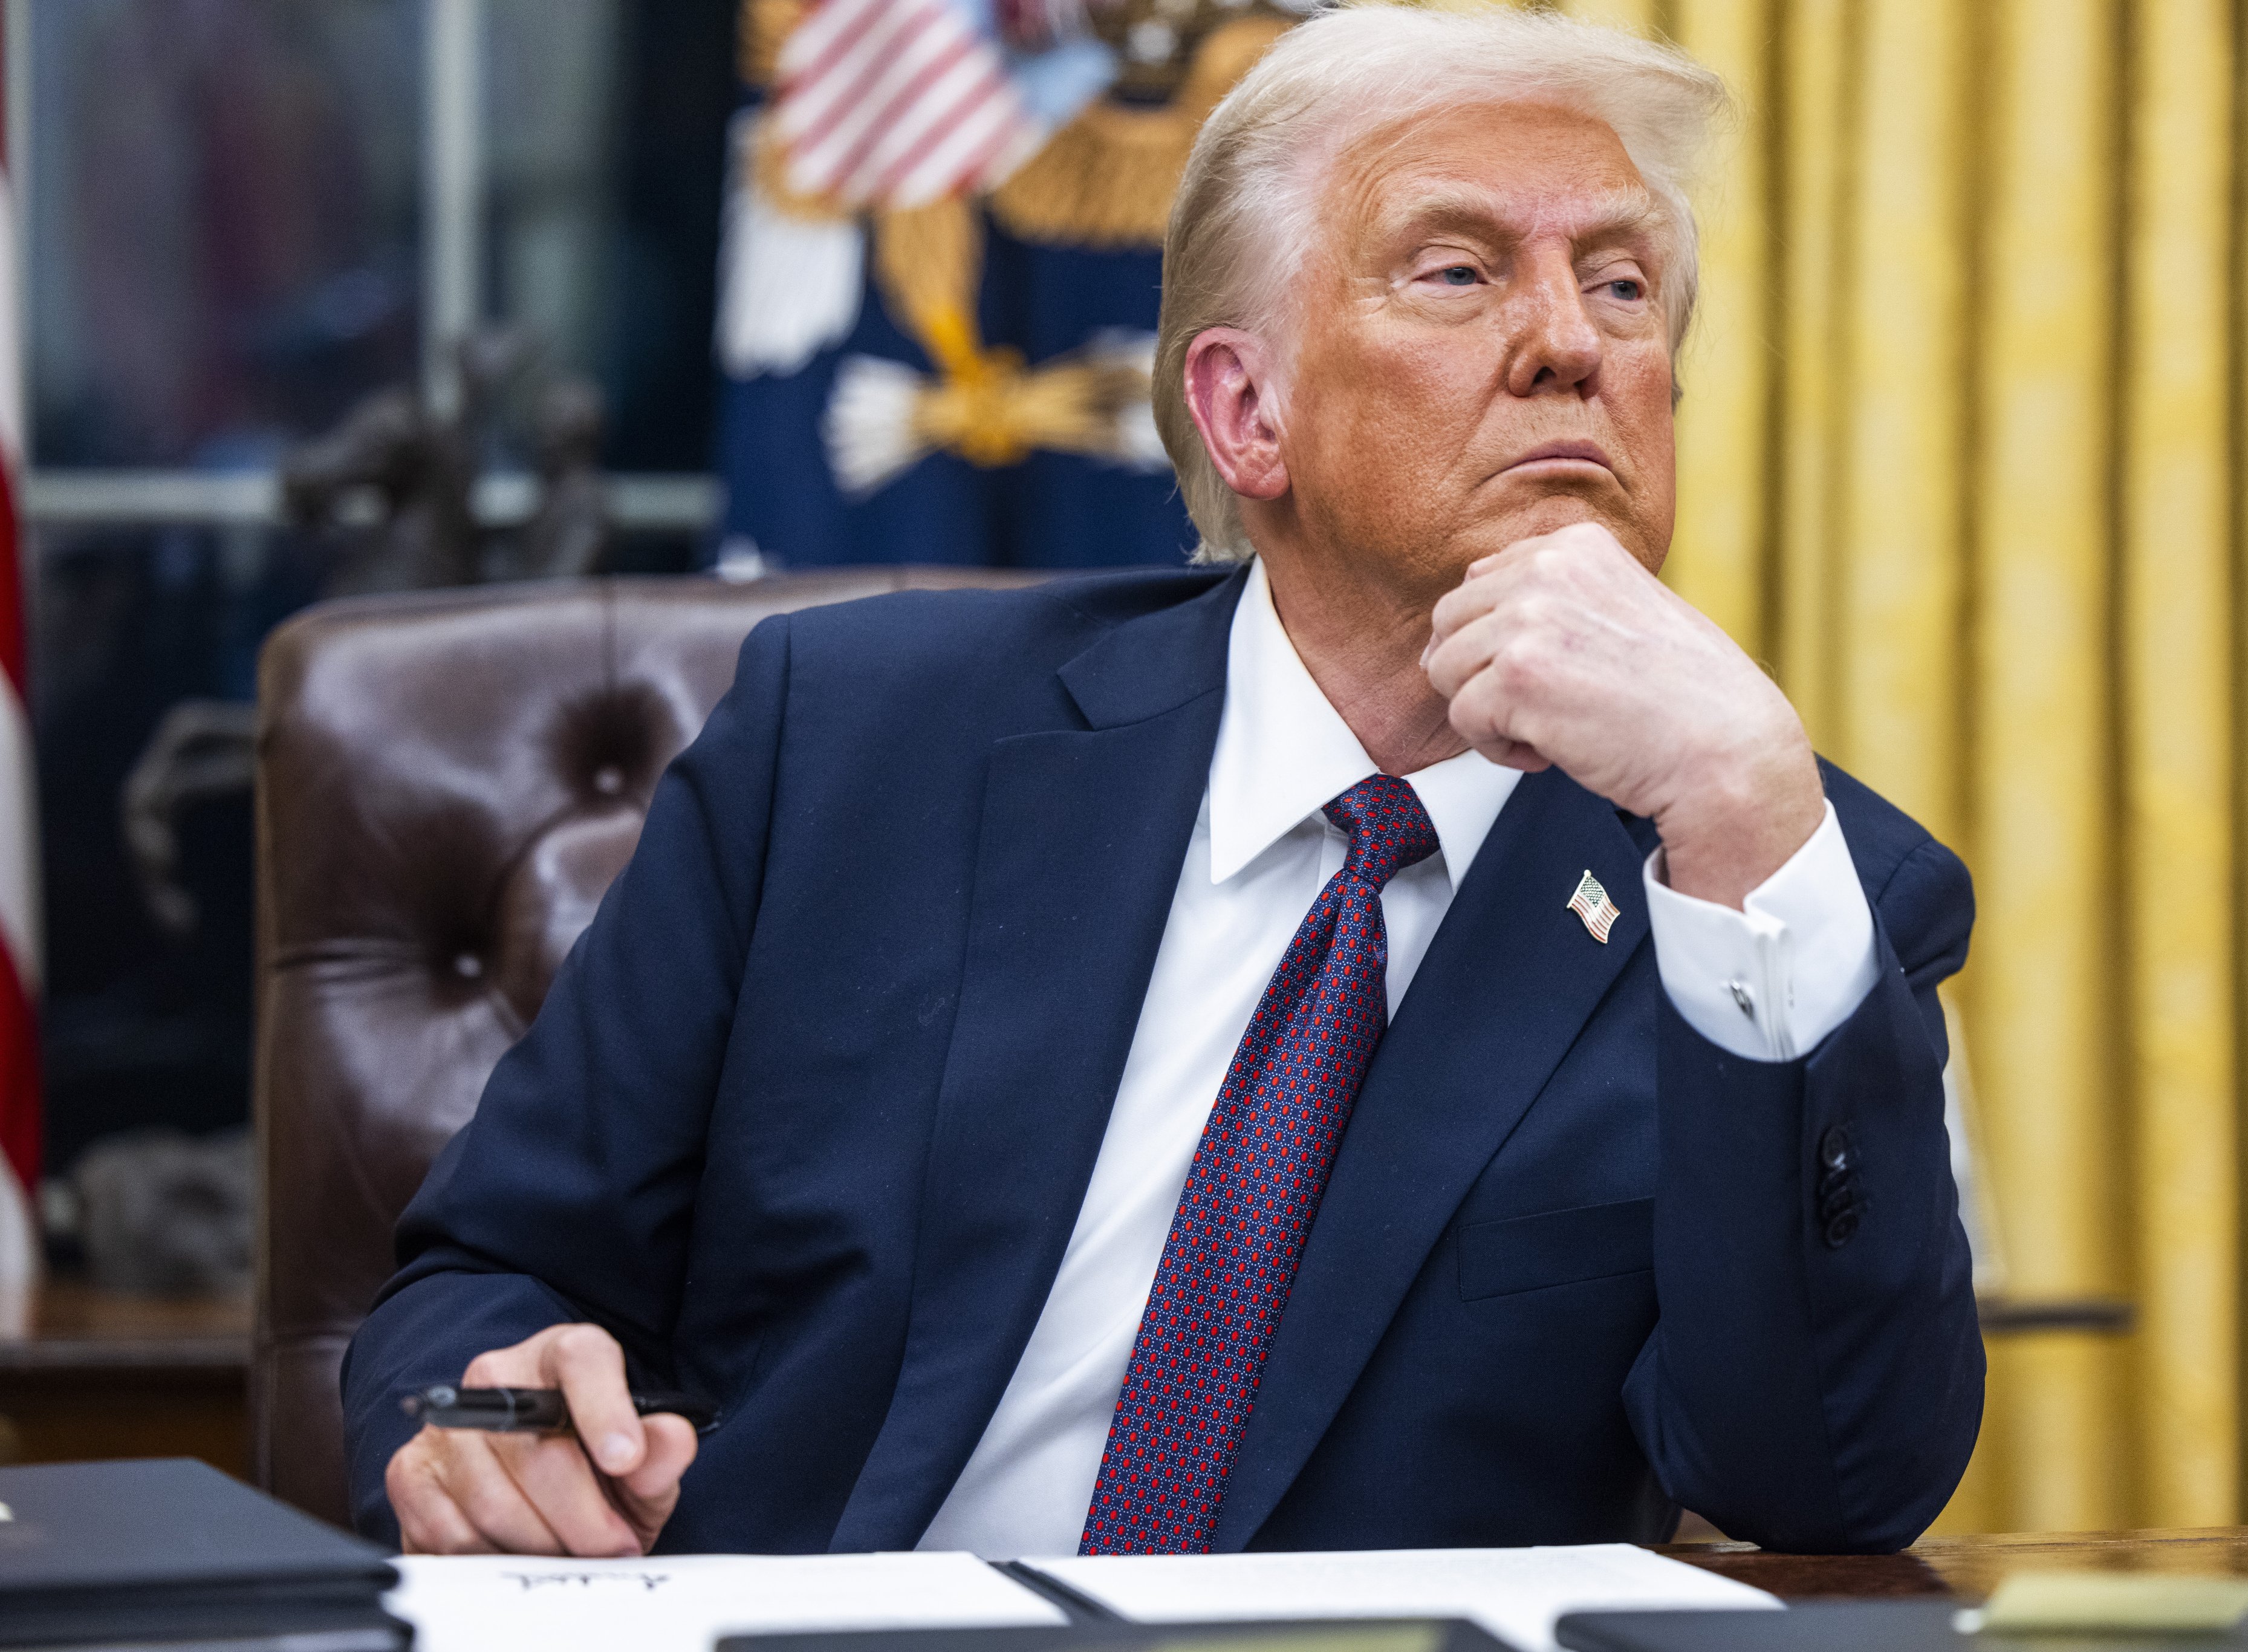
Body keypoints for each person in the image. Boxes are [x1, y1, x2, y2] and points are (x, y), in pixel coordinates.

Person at [345, 4, 1981, 1561]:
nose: (1570, 342)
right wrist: (490, 1417)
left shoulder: (1777, 886)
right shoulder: (853, 745)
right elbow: (491, 1271)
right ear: (1243, 409)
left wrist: (1749, 825)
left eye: (1623, 288)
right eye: (1460, 268)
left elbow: (1830, 1486)